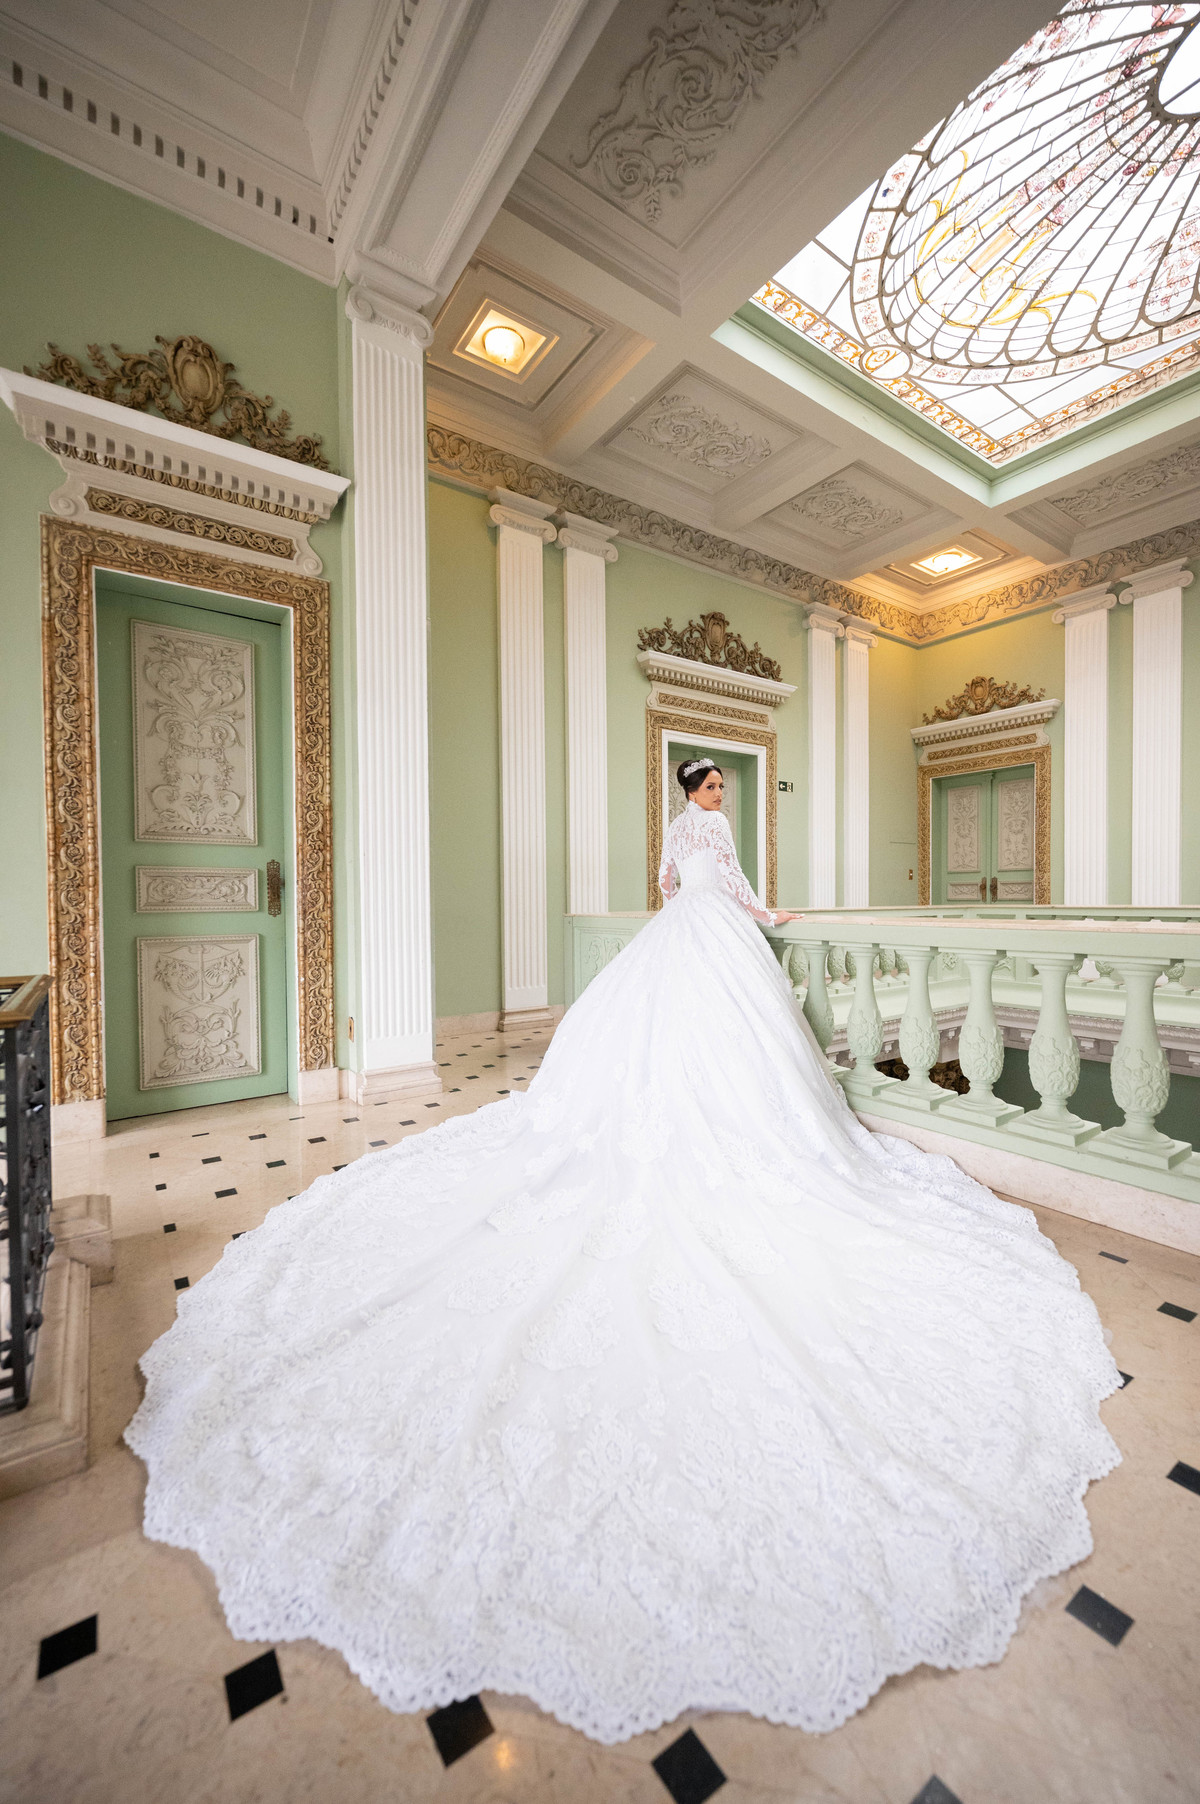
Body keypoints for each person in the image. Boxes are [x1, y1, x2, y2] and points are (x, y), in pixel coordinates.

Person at [127, 756, 1120, 1744]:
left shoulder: (672, 835)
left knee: (660, 1061)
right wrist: (767, 918)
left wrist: (727, 905)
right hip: (715, 945)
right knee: (734, 1069)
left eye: (722, 790)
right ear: (703, 792)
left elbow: (667, 891)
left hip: (674, 946)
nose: (720, 798)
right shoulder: (716, 836)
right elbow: (731, 890)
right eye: (715, 788)